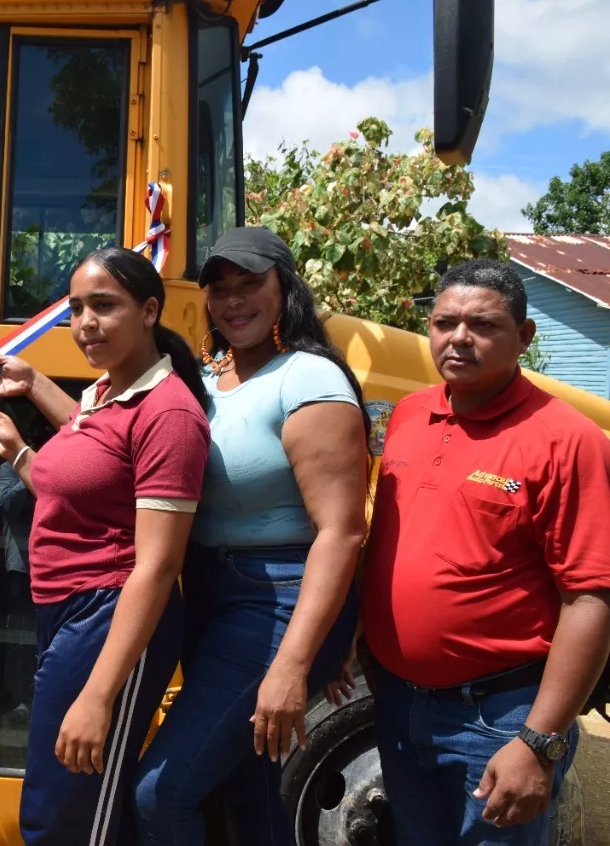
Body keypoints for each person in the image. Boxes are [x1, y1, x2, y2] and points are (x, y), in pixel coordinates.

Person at [133, 226, 371, 844]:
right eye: (220, 290)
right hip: (212, 595)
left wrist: (296, 661)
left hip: (277, 601)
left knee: (161, 795)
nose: (233, 301)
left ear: (284, 289)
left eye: (250, 285)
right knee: (249, 789)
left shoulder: (309, 380)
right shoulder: (212, 379)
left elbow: (342, 532)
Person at [360, 259, 610, 845]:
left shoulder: (566, 441)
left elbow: (590, 598)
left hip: (498, 717)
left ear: (524, 337)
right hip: (399, 703)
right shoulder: (410, 415)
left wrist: (539, 741)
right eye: (444, 322)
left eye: (484, 325)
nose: (459, 338)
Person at [0, 246, 211, 845]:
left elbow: (157, 567)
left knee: (70, 817)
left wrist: (99, 695)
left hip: (110, 616)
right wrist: (27, 413)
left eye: (104, 307)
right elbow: (82, 471)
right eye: (76, 308)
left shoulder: (169, 415)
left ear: (150, 311)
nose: (85, 324)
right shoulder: (105, 395)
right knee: (61, 801)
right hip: (69, 611)